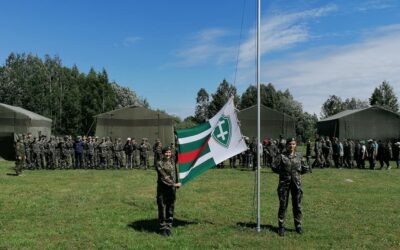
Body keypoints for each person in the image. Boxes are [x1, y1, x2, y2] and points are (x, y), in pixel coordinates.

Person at [271, 138, 311, 237]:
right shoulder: (281, 156)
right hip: (284, 184)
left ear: (295, 145)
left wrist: (297, 174)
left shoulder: (299, 156)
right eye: (289, 144)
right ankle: (281, 226)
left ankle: (298, 225)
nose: (291, 146)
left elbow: (306, 168)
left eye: (293, 144)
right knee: (283, 205)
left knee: (297, 205)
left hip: (296, 184)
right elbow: (273, 166)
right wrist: (283, 173)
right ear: (287, 145)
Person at [156, 146, 181, 236]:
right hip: (162, 189)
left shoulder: (173, 161)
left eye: (169, 152)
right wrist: (174, 184)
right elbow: (163, 177)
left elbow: (179, 153)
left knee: (170, 207)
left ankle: (168, 227)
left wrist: (179, 142)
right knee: (162, 207)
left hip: (171, 190)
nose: (168, 154)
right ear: (163, 154)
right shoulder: (159, 163)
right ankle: (163, 227)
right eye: (166, 152)